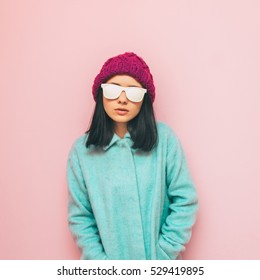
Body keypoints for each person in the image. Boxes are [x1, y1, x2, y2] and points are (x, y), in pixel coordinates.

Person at [66, 52, 198, 260]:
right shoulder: (82, 152)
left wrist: (163, 255)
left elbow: (185, 200)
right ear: (101, 94)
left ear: (144, 99)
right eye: (113, 89)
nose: (122, 99)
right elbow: (81, 217)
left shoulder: (164, 140)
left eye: (133, 92)